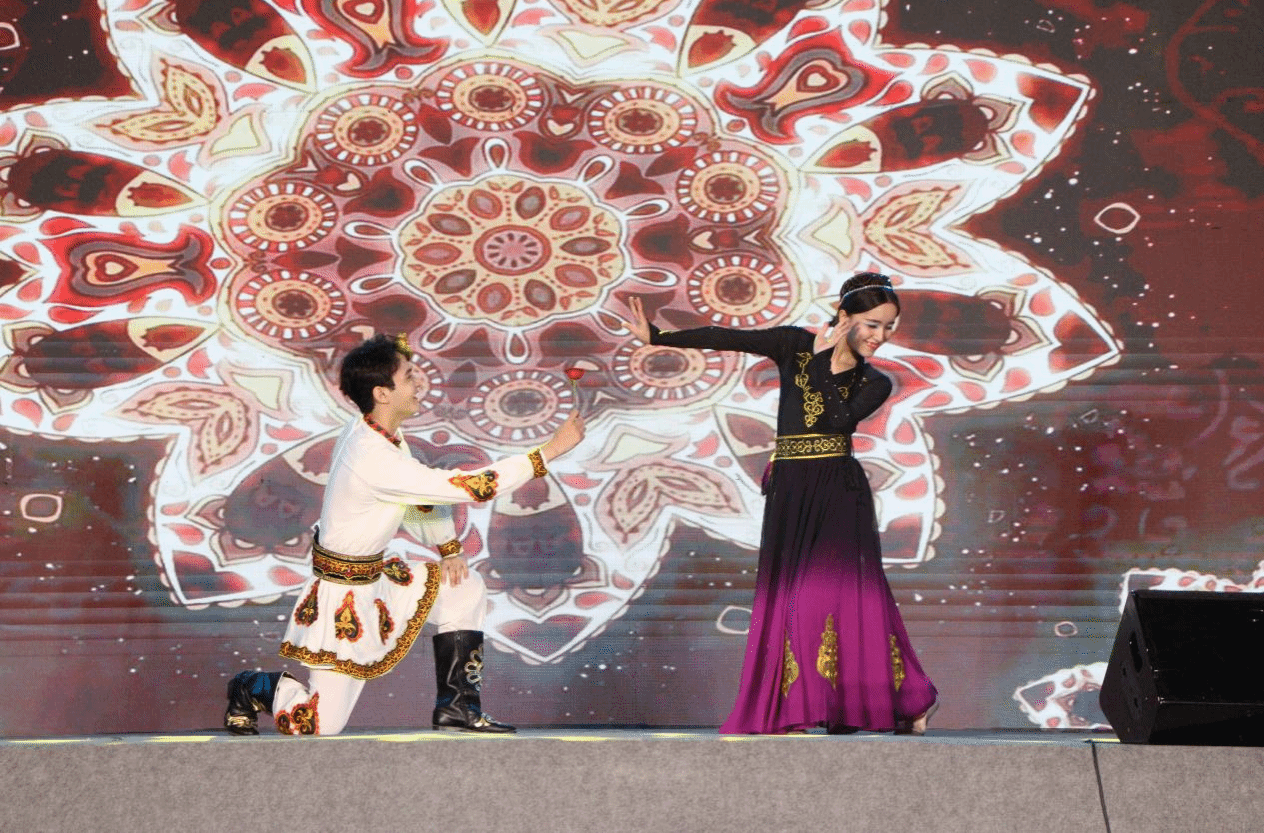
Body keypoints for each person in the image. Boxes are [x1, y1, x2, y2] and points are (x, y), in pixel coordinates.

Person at [622, 271, 938, 734]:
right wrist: (659, 337)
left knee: (837, 598)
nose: (881, 336)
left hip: (836, 490)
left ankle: (895, 699)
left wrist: (824, 361)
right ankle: (814, 706)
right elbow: (727, 337)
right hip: (791, 487)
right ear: (844, 316)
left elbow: (835, 420)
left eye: (889, 327)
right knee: (788, 596)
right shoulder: (793, 344)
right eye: (872, 324)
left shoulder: (875, 382)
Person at [223, 333, 585, 736]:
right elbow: (466, 487)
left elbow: (416, 500)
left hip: (376, 577)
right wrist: (548, 452)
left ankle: (458, 709)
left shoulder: (377, 433)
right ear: (382, 393)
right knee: (320, 725)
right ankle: (250, 687)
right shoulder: (372, 454)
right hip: (344, 599)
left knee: (463, 587)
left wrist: (448, 548)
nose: (419, 384)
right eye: (409, 376)